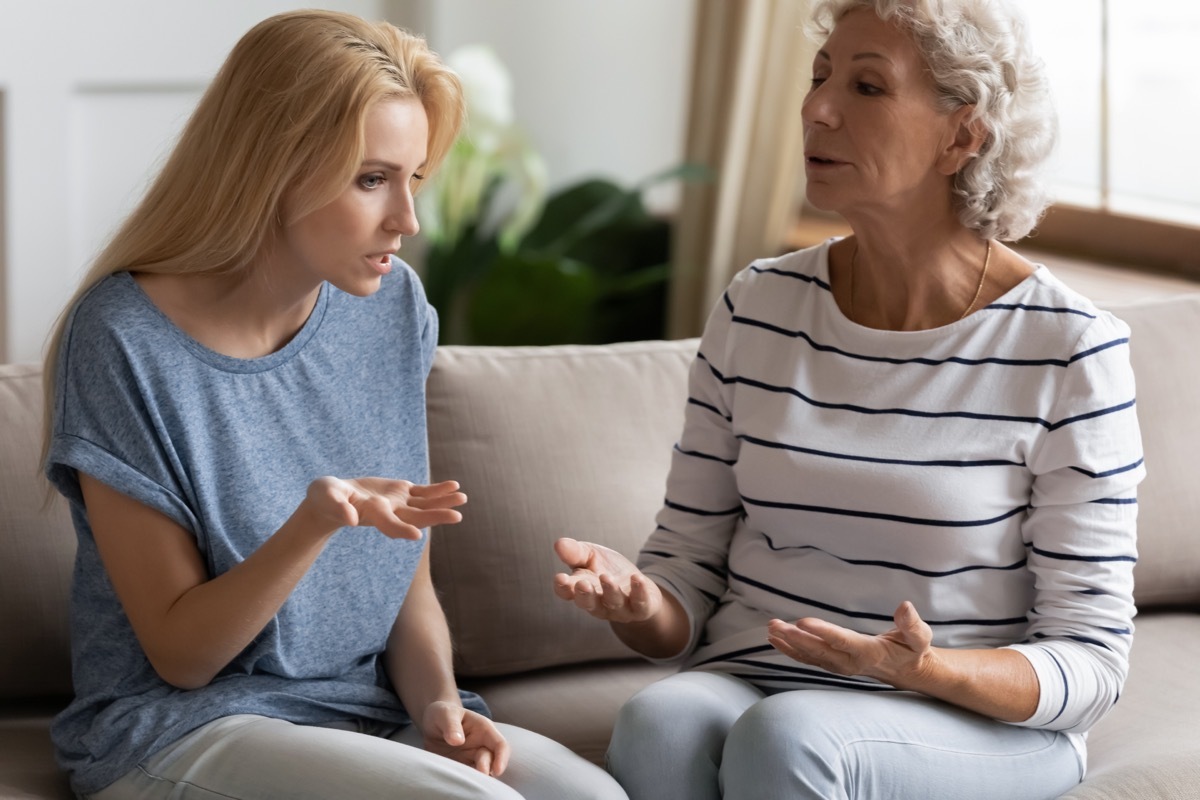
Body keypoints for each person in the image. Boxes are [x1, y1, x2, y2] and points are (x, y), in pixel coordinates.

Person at [553, 1, 1143, 798]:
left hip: (970, 718)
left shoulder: (1070, 348)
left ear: (962, 136)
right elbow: (684, 575)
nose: (816, 108)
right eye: (820, 75)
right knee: (658, 723)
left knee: (789, 737)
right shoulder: (758, 305)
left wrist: (925, 668)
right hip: (758, 679)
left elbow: (1092, 660)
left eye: (867, 87)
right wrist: (638, 599)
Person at [40, 10, 626, 800]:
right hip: (183, 728)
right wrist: (313, 523)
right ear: (270, 164)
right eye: (371, 179)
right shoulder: (122, 340)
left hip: (363, 716)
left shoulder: (390, 307)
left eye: (412, 178)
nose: (407, 221)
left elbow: (405, 584)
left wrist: (440, 708)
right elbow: (182, 655)